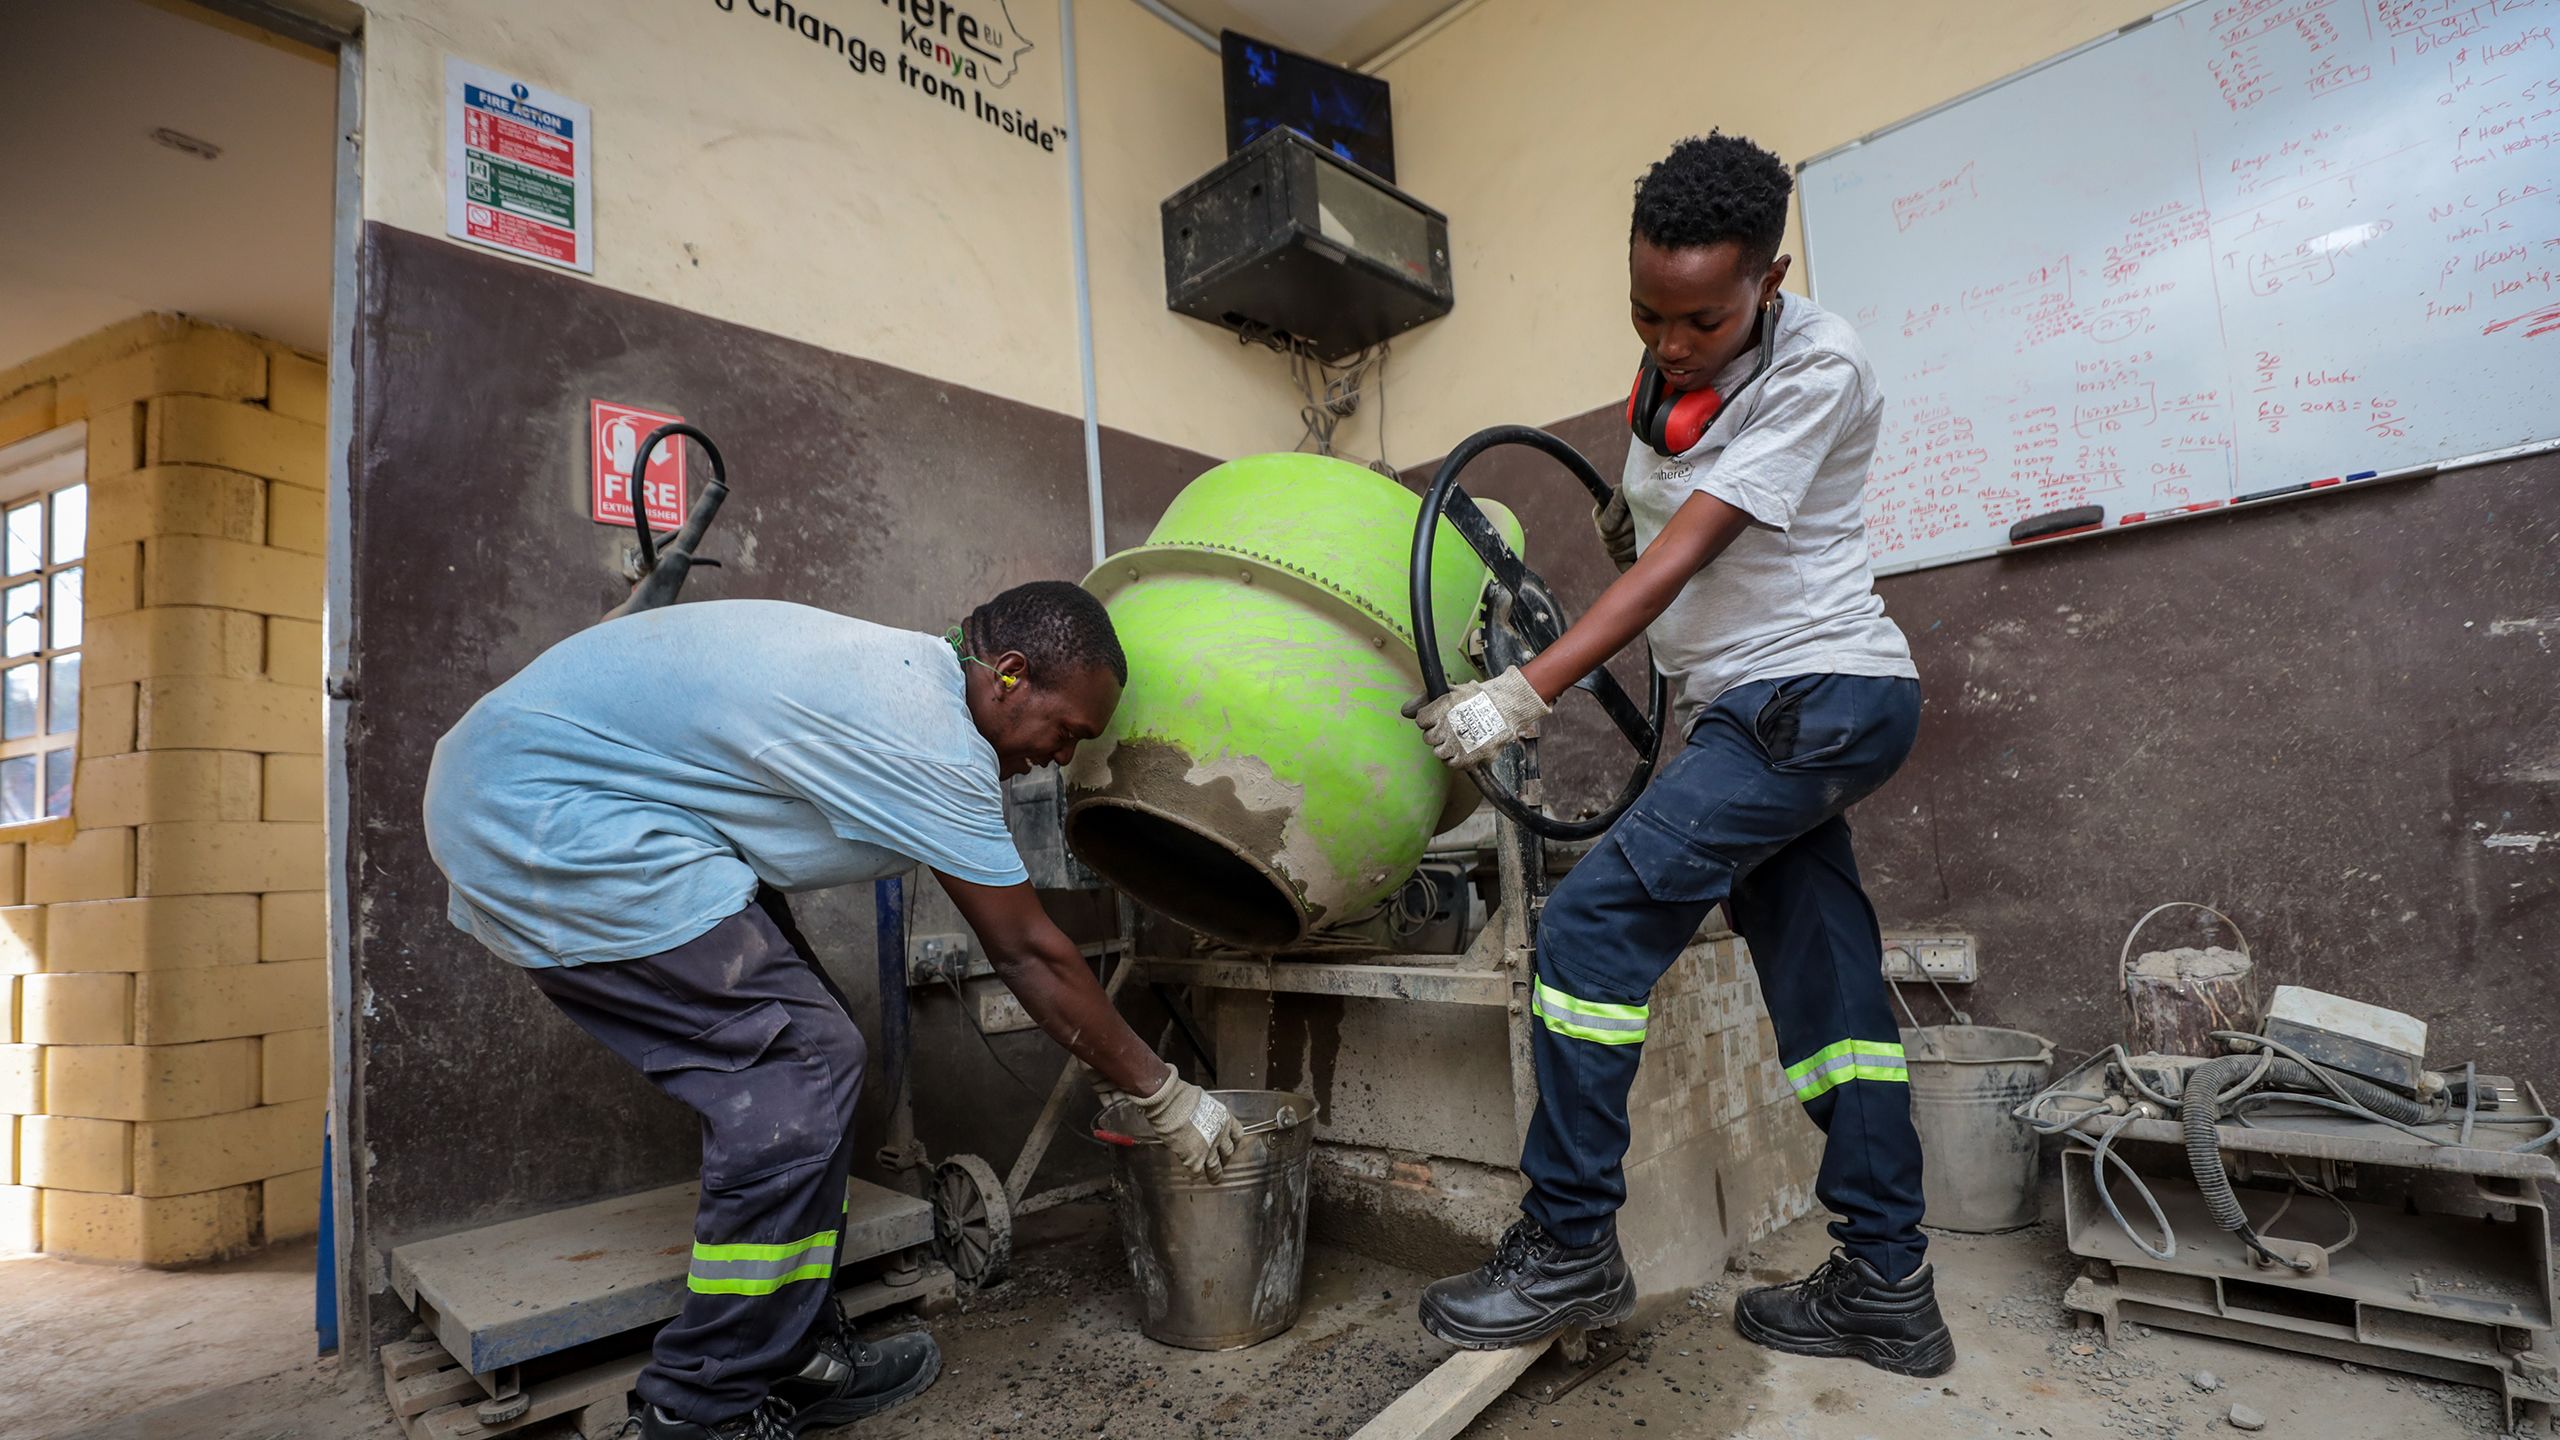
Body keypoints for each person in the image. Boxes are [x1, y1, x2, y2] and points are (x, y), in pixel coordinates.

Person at [423, 583, 1242, 1440]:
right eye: (1065, 732)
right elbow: (1029, 953)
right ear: (1008, 674)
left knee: (816, 1056)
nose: (1062, 757)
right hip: (540, 812)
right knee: (801, 1071)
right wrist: (1165, 1093)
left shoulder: (909, 680)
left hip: (584, 798)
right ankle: (698, 1411)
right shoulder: (930, 738)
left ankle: (795, 1351)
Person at [1405, 133, 1949, 1377]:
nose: (1667, 341)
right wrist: (1624, 506)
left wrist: (1521, 692)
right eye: (1644, 313)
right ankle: (1886, 1284)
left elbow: (1685, 553)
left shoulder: (1821, 363)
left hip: (1812, 694)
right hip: (1768, 709)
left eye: (1700, 317)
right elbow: (1657, 514)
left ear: (1772, 276)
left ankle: (1567, 1243)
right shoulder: (1675, 372)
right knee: (1829, 992)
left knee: (1592, 929)